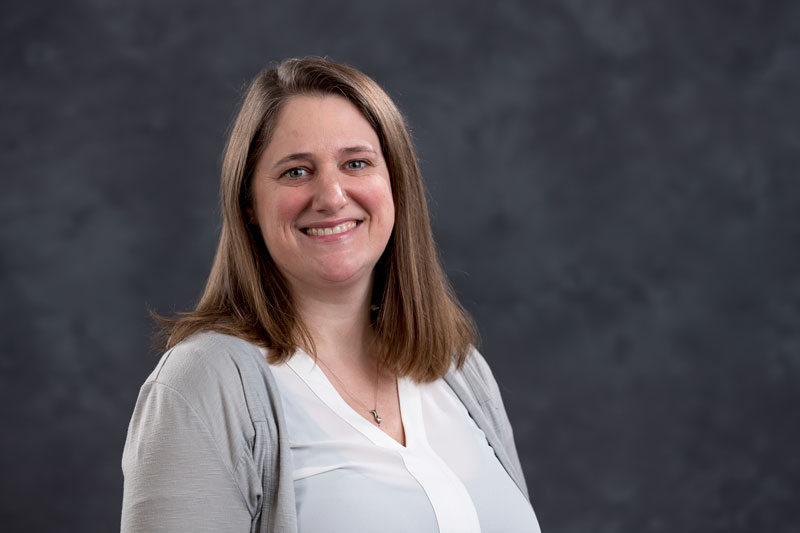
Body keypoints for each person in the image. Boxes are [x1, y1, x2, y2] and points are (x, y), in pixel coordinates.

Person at [121, 57, 541, 533]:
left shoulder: (459, 372)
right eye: (296, 172)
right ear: (249, 205)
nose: (332, 195)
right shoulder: (206, 383)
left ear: (397, 185)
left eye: (356, 163)